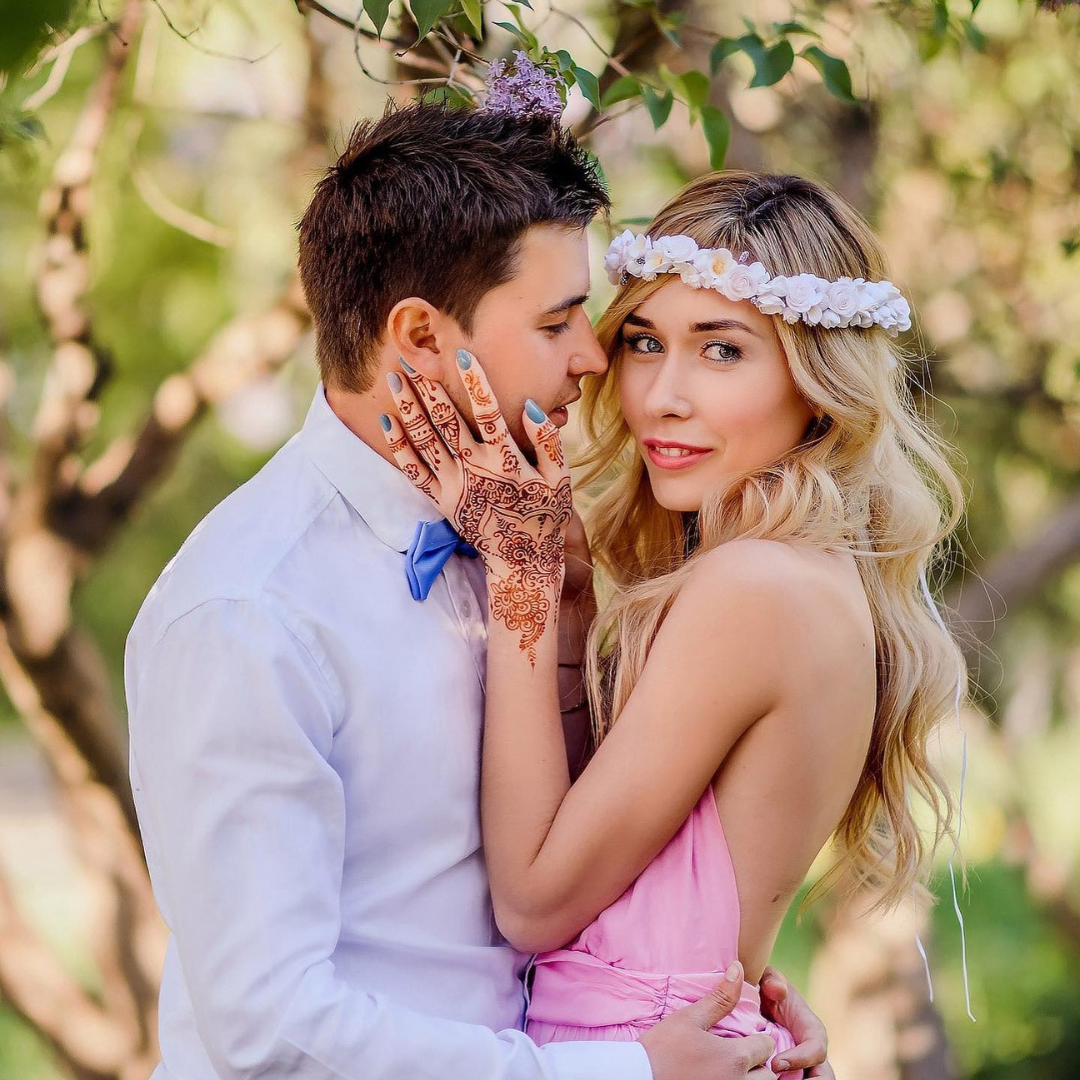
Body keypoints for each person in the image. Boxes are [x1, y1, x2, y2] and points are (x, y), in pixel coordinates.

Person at [125, 105, 830, 1080]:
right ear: (421, 336)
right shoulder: (249, 611)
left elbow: (599, 877)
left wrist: (731, 1016)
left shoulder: (525, 536)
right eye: (555, 323)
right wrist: (623, 1072)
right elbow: (269, 1026)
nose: (593, 357)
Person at [383, 170, 966, 1076]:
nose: (661, 396)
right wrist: (570, 606)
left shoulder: (754, 589)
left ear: (818, 381)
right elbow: (603, 854)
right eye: (646, 341)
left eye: (723, 350)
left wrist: (520, 580)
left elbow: (536, 903)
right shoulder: (802, 574)